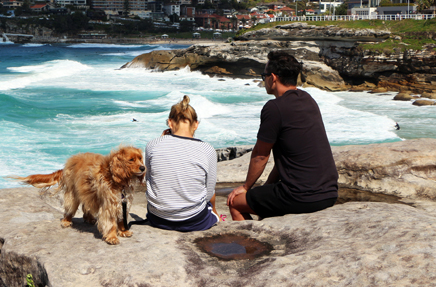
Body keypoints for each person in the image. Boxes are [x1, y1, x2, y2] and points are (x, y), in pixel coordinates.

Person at [226, 51, 338, 220]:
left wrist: (246, 187)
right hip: (329, 193)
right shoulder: (308, 100)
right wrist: (267, 186)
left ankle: (253, 244)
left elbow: (260, 156)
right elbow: (288, 157)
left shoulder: (274, 108)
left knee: (234, 202)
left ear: (273, 77)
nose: (264, 80)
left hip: (300, 196)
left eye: (264, 76)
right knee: (265, 200)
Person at [145, 95, 219, 231]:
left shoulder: (152, 145)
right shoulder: (208, 149)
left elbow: (149, 179)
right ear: (196, 124)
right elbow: (208, 192)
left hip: (158, 218)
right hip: (194, 220)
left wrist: (163, 141)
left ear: (170, 123)